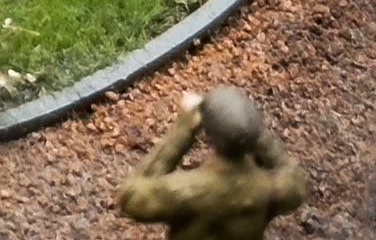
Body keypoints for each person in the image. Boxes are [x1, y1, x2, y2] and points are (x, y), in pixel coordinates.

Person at [117, 89, 307, 240]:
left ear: (209, 136)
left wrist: (184, 129)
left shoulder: (186, 191)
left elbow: (131, 197)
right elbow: (296, 179)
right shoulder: (272, 189)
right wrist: (254, 134)